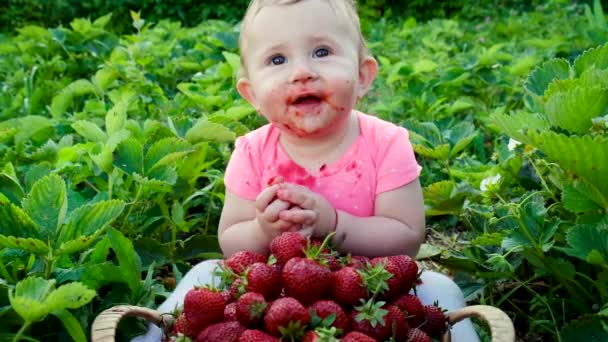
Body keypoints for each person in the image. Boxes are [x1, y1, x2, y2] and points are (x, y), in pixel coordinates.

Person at [133, 0, 479, 341]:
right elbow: (231, 241)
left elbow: (406, 239)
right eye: (277, 59)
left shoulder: (386, 143)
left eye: (322, 52)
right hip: (272, 302)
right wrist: (263, 230)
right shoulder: (252, 151)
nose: (302, 72)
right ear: (251, 94)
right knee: (203, 274)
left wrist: (334, 224)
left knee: (440, 288)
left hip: (370, 297)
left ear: (362, 76)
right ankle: (153, 336)